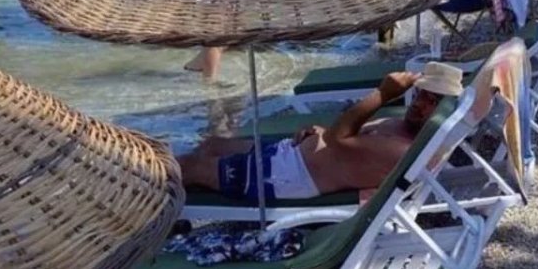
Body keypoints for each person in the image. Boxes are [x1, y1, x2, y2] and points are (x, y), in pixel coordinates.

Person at [177, 66, 464, 197]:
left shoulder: (404, 150)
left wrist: (382, 94)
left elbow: (338, 140)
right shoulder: (400, 127)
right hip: (290, 155)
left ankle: (153, 215)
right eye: (420, 94)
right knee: (211, 145)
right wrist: (320, 131)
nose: (419, 103)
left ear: (443, 110)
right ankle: (174, 206)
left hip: (286, 176)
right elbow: (342, 135)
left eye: (431, 100)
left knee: (190, 167)